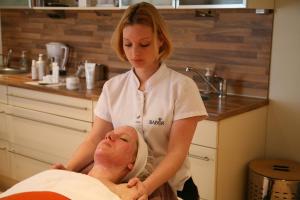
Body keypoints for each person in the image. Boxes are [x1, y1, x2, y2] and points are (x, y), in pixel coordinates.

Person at [54, 2, 207, 200]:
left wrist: (145, 187)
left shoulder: (182, 87)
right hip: (124, 188)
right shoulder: (113, 88)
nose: (135, 53)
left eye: (144, 44)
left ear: (160, 40)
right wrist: (67, 170)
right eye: (128, 44)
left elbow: (176, 153)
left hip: (171, 189)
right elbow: (94, 139)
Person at [0, 126, 154, 200]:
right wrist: (59, 176)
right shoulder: (62, 174)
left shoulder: (123, 194)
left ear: (132, 163)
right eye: (109, 134)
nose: (109, 137)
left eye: (123, 138)